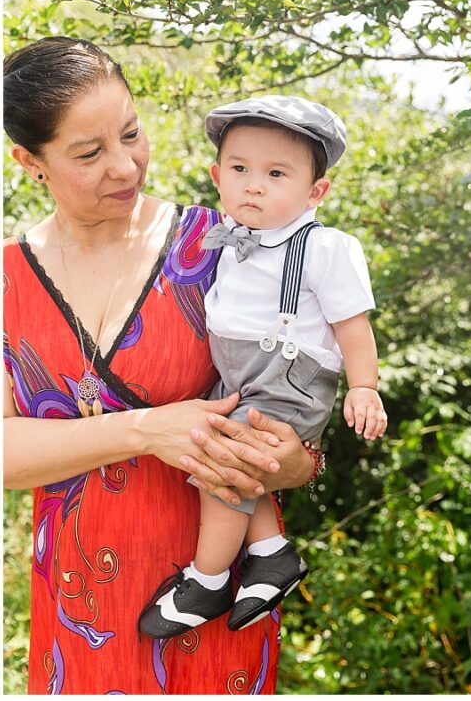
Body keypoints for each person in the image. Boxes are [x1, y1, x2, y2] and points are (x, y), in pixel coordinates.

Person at [3, 36, 313, 693]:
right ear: (30, 161)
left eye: (131, 134)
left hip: (215, 597)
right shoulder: (7, 280)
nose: (125, 166)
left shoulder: (223, 245)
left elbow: (296, 411)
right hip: (78, 604)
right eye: (89, 154)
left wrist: (297, 461)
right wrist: (144, 429)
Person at [136, 96, 386, 638]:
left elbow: (353, 325)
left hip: (286, 378)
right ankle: (271, 554)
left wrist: (364, 386)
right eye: (240, 169)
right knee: (240, 459)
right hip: (240, 375)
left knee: (227, 462)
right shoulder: (227, 240)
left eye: (276, 173)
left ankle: (208, 578)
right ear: (216, 176)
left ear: (315, 191)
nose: (254, 185)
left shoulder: (324, 247)